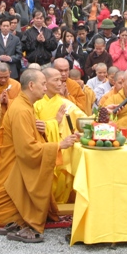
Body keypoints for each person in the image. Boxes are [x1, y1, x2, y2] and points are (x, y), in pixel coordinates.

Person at [0, 69, 79, 242]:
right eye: (43, 84)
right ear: (31, 85)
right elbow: (27, 149)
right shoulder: (21, 110)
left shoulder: (25, 105)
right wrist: (58, 145)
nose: (46, 87)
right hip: (16, 173)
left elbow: (32, 138)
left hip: (17, 167)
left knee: (5, 210)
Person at [34, 67, 87, 204]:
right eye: (56, 80)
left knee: (63, 179)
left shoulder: (67, 104)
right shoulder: (36, 104)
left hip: (65, 149)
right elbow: (33, 128)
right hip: (46, 150)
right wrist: (53, 123)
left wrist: (81, 132)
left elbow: (84, 122)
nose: (60, 83)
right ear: (44, 82)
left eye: (61, 80)